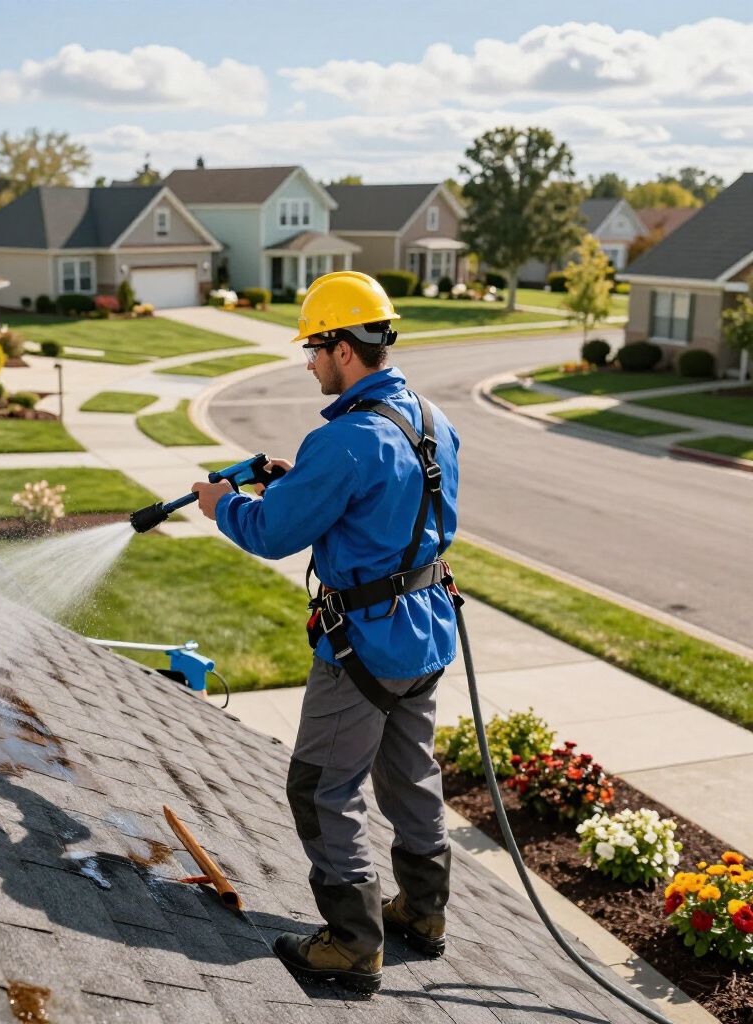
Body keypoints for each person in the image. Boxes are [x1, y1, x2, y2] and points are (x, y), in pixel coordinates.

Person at [191, 271, 461, 995]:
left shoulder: (344, 441)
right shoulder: (430, 420)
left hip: (363, 646)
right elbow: (384, 511)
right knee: (411, 777)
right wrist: (297, 479)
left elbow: (274, 533)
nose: (308, 361)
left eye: (314, 348)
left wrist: (224, 505)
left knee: (320, 790)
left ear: (344, 348)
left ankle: (351, 943)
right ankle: (425, 916)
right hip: (427, 634)